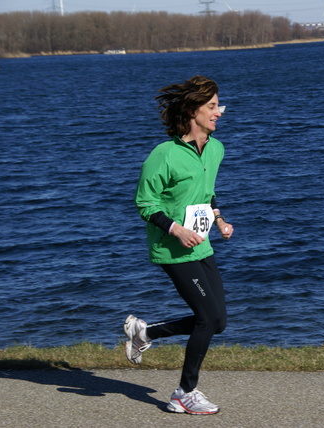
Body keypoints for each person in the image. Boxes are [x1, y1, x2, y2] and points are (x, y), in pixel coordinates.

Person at [124, 75, 234, 415]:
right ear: (192, 110)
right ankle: (184, 393)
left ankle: (145, 332)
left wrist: (218, 219)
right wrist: (174, 229)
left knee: (218, 322)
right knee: (206, 317)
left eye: (219, 106)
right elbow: (145, 202)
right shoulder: (164, 155)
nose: (219, 112)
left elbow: (206, 192)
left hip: (201, 246)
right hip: (172, 249)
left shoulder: (216, 149)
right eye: (212, 107)